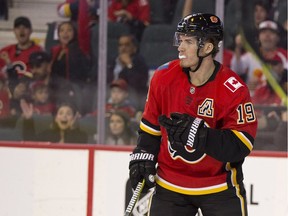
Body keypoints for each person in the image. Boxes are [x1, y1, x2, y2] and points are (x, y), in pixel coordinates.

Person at [128, 13, 258, 215]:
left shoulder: (233, 89)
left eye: (188, 41)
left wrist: (201, 136)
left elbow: (241, 145)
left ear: (207, 47)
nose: (180, 47)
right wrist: (143, 154)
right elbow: (151, 127)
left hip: (218, 187)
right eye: (180, 40)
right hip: (170, 184)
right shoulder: (163, 77)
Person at [0, 16, 42, 92]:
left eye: (25, 27)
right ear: (14, 31)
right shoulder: (5, 51)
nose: (21, 31)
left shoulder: (39, 51)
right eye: (18, 28)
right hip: (8, 94)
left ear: (31, 31)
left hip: (31, 94)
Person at [107, 33, 149, 110]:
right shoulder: (113, 61)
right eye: (120, 45)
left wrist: (129, 65)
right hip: (112, 93)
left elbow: (138, 84)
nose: (123, 48)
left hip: (130, 96)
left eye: (127, 45)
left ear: (134, 48)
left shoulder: (139, 61)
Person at [20, 100, 88, 143]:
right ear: (56, 118)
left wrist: (72, 129)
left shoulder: (81, 136)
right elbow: (30, 141)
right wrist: (28, 120)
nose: (64, 116)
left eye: (68, 114)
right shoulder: (48, 134)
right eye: (61, 113)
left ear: (73, 118)